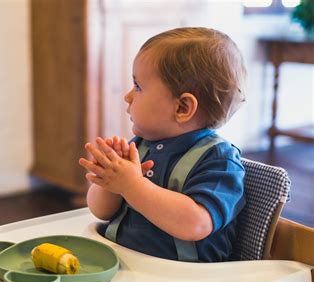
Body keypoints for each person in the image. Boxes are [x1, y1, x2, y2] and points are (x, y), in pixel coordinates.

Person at [79, 27, 246, 262]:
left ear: (182, 108)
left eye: (138, 87)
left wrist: (132, 185)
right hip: (124, 265)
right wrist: (109, 182)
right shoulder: (138, 146)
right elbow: (101, 211)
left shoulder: (220, 160)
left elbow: (195, 224)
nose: (127, 96)